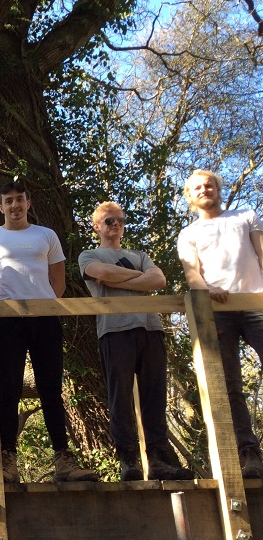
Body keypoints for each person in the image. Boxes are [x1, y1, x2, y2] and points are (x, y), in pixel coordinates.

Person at [0, 183, 97, 484]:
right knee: (8, 390)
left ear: (28, 203)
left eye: (19, 200)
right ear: (1, 207)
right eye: (8, 201)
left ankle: (63, 460)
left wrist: (43, 303)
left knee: (51, 389)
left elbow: (57, 280)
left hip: (45, 319)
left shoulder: (46, 235)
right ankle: (7, 461)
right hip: (7, 319)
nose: (15, 205)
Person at [79, 202, 193, 481]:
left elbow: (159, 280)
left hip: (151, 329)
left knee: (155, 396)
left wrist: (123, 280)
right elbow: (104, 274)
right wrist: (139, 278)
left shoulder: (139, 253)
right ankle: (128, 460)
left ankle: (158, 461)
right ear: (97, 226)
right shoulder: (89, 255)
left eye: (119, 220)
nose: (115, 224)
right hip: (115, 331)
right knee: (120, 397)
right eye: (108, 221)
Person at [177, 169, 263, 478]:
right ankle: (249, 453)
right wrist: (206, 290)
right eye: (198, 187)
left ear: (218, 189)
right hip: (219, 308)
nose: (205, 190)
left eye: (209, 185)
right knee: (230, 384)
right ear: (191, 196)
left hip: (255, 302)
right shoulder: (189, 233)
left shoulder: (245, 216)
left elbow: (261, 252)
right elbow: (192, 273)